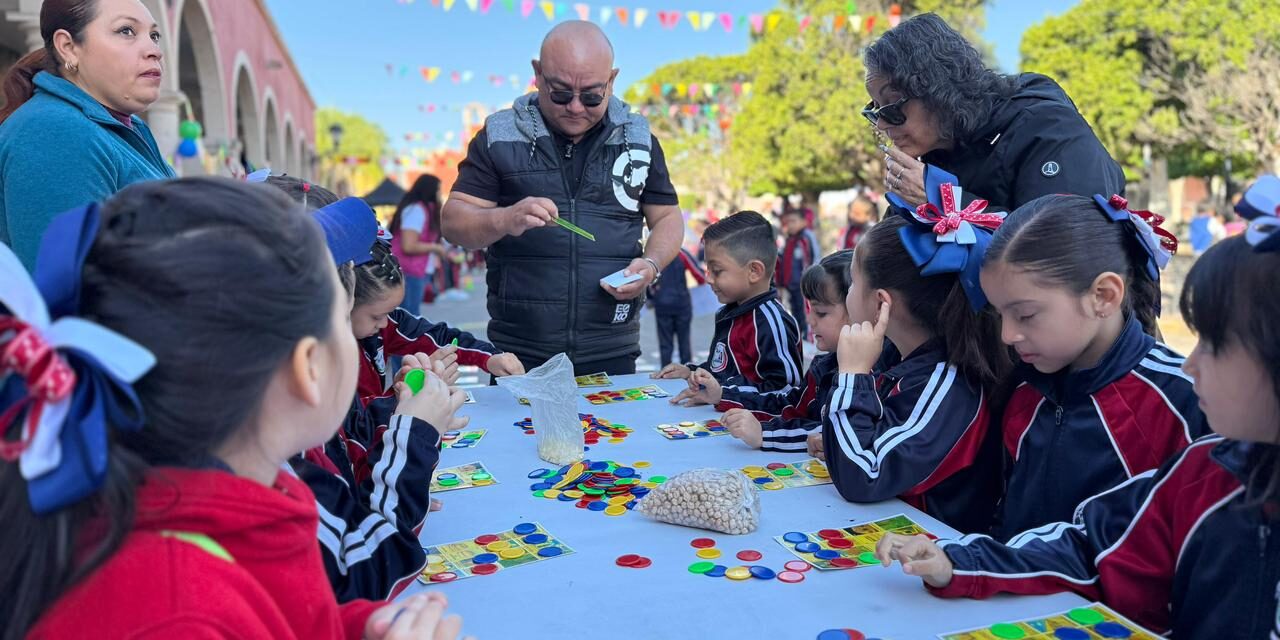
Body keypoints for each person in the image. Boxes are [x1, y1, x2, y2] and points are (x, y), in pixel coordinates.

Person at [0, 178, 464, 639]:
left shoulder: (257, 492)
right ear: (307, 367)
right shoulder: (171, 610)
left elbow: (290, 615)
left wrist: (358, 629)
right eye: (343, 319)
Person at [872, 226, 1280, 639]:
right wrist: (960, 561)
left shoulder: (1182, 406)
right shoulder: (1206, 470)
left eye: (1216, 345)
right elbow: (1095, 548)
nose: (1192, 365)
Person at [441, 21, 684, 376]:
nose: (574, 107)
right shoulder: (499, 135)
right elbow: (453, 222)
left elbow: (668, 218)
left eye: (591, 96)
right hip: (519, 353)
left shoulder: (638, 139)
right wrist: (505, 219)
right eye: (559, 93)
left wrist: (650, 266)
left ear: (612, 81)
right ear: (537, 74)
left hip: (612, 347)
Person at [263, 174, 463, 603]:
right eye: (347, 320)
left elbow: (350, 491)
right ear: (307, 355)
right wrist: (413, 436)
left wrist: (399, 409)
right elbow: (372, 566)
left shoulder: (286, 430)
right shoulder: (277, 461)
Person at [980, 193, 1209, 540]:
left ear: (1103, 295)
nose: (1008, 334)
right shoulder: (1025, 393)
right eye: (1000, 315)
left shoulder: (1187, 400)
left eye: (1025, 314)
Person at [812, 188, 1013, 534]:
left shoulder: (947, 382)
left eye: (853, 284)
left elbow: (863, 477)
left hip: (931, 552)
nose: (847, 295)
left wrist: (853, 375)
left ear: (881, 303)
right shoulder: (908, 364)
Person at [862, 13, 1123, 214]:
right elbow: (887, 258)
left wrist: (945, 200)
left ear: (938, 91)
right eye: (874, 110)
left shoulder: (1049, 129)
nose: (883, 123)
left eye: (892, 105)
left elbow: (1063, 248)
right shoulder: (936, 157)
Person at [0, 0, 176, 270]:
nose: (154, 50)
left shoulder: (125, 127)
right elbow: (72, 288)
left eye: (154, 36)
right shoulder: (54, 131)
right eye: (126, 31)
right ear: (68, 48)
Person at [671, 250, 854, 454]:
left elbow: (840, 434)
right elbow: (789, 406)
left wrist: (765, 434)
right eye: (811, 311)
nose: (810, 321)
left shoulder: (870, 377)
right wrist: (721, 395)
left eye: (821, 313)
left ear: (859, 312)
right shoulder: (825, 365)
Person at [351, 239, 525, 402]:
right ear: (346, 303)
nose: (384, 323)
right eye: (376, 317)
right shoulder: (331, 360)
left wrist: (490, 357)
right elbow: (358, 429)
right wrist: (407, 396)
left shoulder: (385, 322)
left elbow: (438, 337)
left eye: (388, 313)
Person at [653, 211, 803, 393]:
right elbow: (722, 369)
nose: (708, 279)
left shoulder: (772, 322)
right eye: (707, 270)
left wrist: (722, 395)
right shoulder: (730, 312)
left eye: (716, 271)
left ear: (754, 271)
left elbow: (787, 392)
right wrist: (691, 371)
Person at [391, 174, 451, 315]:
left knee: (410, 315)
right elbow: (409, 245)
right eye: (437, 190)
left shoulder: (420, 209)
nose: (439, 194)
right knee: (409, 317)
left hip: (414, 271)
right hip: (409, 272)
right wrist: (435, 248)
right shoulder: (416, 210)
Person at [649, 246, 706, 367]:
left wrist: (652, 297)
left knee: (665, 343)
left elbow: (648, 280)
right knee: (684, 342)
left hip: (661, 303)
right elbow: (700, 276)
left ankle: (665, 373)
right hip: (682, 303)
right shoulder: (682, 253)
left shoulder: (656, 255)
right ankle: (687, 374)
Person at [775, 207, 820, 340]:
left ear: (804, 222)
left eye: (794, 221)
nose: (790, 225)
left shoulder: (806, 237)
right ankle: (799, 338)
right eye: (788, 222)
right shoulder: (790, 240)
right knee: (794, 312)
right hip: (791, 284)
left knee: (805, 312)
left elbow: (814, 258)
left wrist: (811, 280)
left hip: (804, 284)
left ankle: (809, 338)